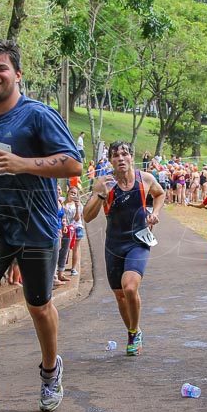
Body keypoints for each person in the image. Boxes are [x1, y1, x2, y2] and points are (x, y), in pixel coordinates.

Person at [0, 39, 81, 412]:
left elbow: (74, 164)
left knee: (38, 307)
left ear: (17, 74)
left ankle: (49, 370)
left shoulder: (38, 115)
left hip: (37, 222)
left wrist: (23, 163)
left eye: (1, 69)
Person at [83, 140, 165, 356]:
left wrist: (154, 213)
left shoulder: (145, 179)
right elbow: (87, 217)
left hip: (138, 240)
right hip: (114, 244)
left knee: (129, 287)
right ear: (110, 160)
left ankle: (134, 333)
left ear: (131, 157)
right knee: (120, 295)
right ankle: (132, 329)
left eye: (124, 154)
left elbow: (160, 194)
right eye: (115, 155)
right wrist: (101, 195)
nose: (120, 158)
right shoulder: (103, 183)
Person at [61, 186, 84, 276]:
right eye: (72, 193)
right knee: (64, 248)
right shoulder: (62, 201)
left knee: (75, 249)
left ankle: (73, 268)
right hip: (65, 227)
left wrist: (77, 207)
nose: (73, 195)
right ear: (68, 193)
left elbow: (77, 219)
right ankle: (61, 267)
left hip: (76, 227)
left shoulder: (79, 205)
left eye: (75, 194)